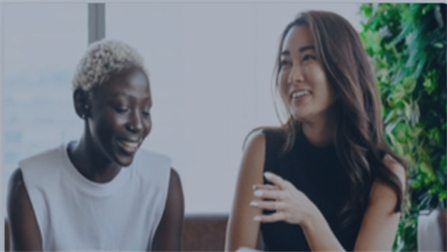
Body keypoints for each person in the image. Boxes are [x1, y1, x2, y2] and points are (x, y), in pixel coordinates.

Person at [225, 10, 406, 252]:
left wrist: (309, 217)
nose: (293, 76)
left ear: (341, 67)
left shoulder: (385, 173)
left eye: (308, 58)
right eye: (285, 63)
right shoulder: (262, 148)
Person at [7, 39, 184, 252]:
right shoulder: (30, 185)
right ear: (82, 104)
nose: (138, 125)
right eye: (122, 108)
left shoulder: (163, 184)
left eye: (145, 111)